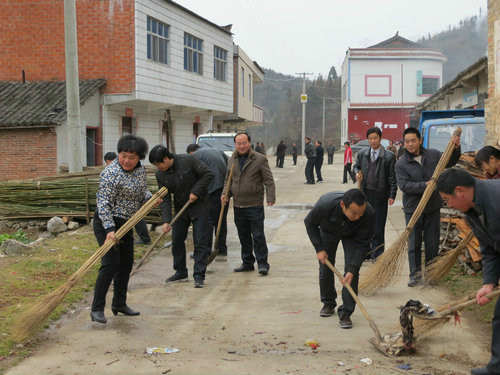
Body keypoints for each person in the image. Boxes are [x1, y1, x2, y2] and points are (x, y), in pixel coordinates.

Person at [437, 169, 500, 375]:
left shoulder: (496, 197)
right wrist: (488, 283)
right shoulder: (472, 212)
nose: (449, 205)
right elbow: (489, 249)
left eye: (448, 199)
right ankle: (496, 368)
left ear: (460, 191)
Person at [91, 135, 152, 324]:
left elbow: (142, 191)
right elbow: (103, 204)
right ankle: (97, 309)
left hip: (127, 222)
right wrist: (109, 229)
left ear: (139, 158)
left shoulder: (140, 172)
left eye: (131, 157)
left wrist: (151, 198)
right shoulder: (110, 173)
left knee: (126, 264)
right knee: (110, 264)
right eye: (123, 155)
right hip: (106, 222)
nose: (126, 160)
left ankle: (119, 304)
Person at [395, 127, 460, 287]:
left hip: (432, 206)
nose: (410, 144)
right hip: (413, 209)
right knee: (414, 243)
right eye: (407, 141)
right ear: (404, 143)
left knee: (432, 243)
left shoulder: (433, 154)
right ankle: (415, 276)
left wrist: (456, 148)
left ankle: (432, 275)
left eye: (413, 140)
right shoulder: (401, 163)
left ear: (420, 140)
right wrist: (425, 186)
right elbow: (404, 185)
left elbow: (450, 161)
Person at [304, 189, 375, 329]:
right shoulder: (326, 205)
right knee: (325, 267)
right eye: (354, 213)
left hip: (353, 235)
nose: (358, 217)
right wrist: (319, 248)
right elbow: (310, 223)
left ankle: (346, 312)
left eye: (361, 213)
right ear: (343, 205)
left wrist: (352, 269)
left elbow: (363, 245)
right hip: (329, 230)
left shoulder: (369, 214)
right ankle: (329, 302)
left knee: (351, 274)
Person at [149, 145, 213, 288]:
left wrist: (196, 191)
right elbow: (164, 198)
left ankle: (199, 276)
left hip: (200, 205)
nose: (158, 167)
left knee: (200, 241)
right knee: (177, 240)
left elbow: (208, 174)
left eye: (159, 164)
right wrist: (166, 221)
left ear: (166, 159)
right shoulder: (160, 174)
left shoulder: (188, 160)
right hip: (181, 209)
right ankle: (180, 272)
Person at [222, 132, 276, 275]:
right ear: (235, 144)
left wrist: (270, 197)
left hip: (254, 204)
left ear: (249, 143)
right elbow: (228, 180)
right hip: (238, 205)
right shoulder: (231, 160)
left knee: (258, 235)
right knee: (243, 235)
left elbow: (269, 180)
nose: (241, 146)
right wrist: (225, 194)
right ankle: (247, 262)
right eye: (238, 143)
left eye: (244, 143)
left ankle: (263, 264)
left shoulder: (259, 159)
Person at [353, 127, 397, 260]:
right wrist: (356, 172)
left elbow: (392, 177)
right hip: (365, 195)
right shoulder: (363, 154)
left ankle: (377, 254)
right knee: (365, 225)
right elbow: (356, 166)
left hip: (380, 195)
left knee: (378, 226)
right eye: (370, 138)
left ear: (380, 138)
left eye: (375, 138)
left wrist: (392, 194)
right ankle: (366, 252)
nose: (373, 141)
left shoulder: (389, 156)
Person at [186, 144, 228, 256]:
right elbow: (229, 165)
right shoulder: (217, 150)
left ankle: (206, 250)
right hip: (224, 189)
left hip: (212, 190)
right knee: (221, 220)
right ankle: (221, 249)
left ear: (191, 152)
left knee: (208, 222)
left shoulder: (195, 155)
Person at [104, 152, 151, 245]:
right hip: (122, 209)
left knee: (137, 217)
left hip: (128, 206)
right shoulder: (111, 172)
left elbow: (142, 188)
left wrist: (149, 197)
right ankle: (144, 238)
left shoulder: (130, 170)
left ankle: (145, 238)